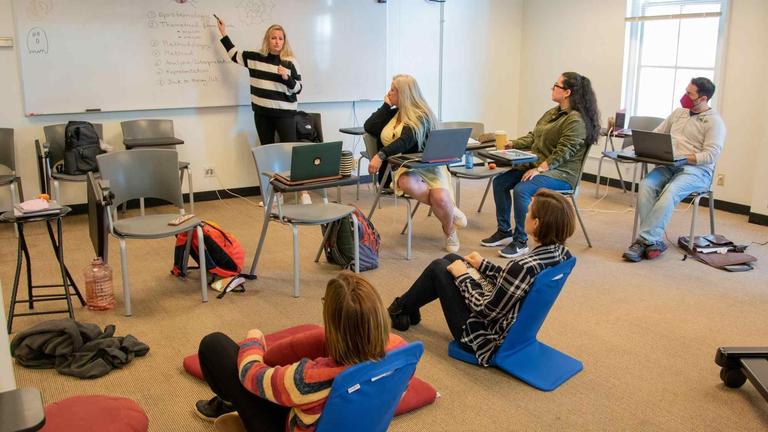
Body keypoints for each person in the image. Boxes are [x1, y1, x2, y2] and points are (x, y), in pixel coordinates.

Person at [195, 271, 402, 432]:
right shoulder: (400, 351)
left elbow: (250, 373)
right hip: (354, 421)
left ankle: (230, 403)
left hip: (292, 423)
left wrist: (254, 338)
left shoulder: (310, 379)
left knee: (215, 346)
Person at [388, 189, 575, 366]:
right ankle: (406, 308)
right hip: (514, 327)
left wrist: (463, 276)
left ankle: (399, 309)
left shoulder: (522, 267)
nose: (524, 215)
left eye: (528, 212)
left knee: (441, 267)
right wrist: (483, 265)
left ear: (536, 224)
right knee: (452, 259)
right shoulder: (561, 255)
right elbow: (515, 284)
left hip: (487, 339)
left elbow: (484, 309)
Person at [481, 72, 600, 258]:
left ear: (567, 92)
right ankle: (504, 231)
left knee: (522, 189)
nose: (552, 88)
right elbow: (533, 136)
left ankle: (520, 241)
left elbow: (564, 151)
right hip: (539, 166)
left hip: (562, 174)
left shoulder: (576, 120)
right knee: (500, 182)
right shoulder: (553, 113)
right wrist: (513, 144)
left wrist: (540, 168)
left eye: (556, 85)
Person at [622, 77, 726, 262]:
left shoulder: (714, 122)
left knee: (670, 192)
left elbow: (711, 155)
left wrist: (684, 158)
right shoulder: (679, 113)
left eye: (689, 94)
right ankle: (653, 242)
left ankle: (644, 241)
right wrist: (638, 146)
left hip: (697, 171)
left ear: (703, 98)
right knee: (646, 185)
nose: (684, 96)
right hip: (669, 166)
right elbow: (657, 134)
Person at [364, 74, 467, 252]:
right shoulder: (393, 113)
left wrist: (381, 154)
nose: (389, 92)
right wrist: (386, 105)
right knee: (408, 183)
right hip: (404, 168)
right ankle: (450, 210)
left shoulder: (421, 116)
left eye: (393, 90)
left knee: (440, 197)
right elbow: (369, 126)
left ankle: (449, 229)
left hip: (428, 166)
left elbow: (406, 140)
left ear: (404, 94)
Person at [217, 21, 301, 145]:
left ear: (284, 41)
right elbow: (234, 55)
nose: (277, 42)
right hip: (262, 114)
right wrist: (223, 32)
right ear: (267, 40)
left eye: (280, 39)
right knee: (267, 150)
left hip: (285, 115)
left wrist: (287, 78)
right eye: (273, 38)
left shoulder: (290, 62)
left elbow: (298, 89)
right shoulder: (255, 58)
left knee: (290, 150)